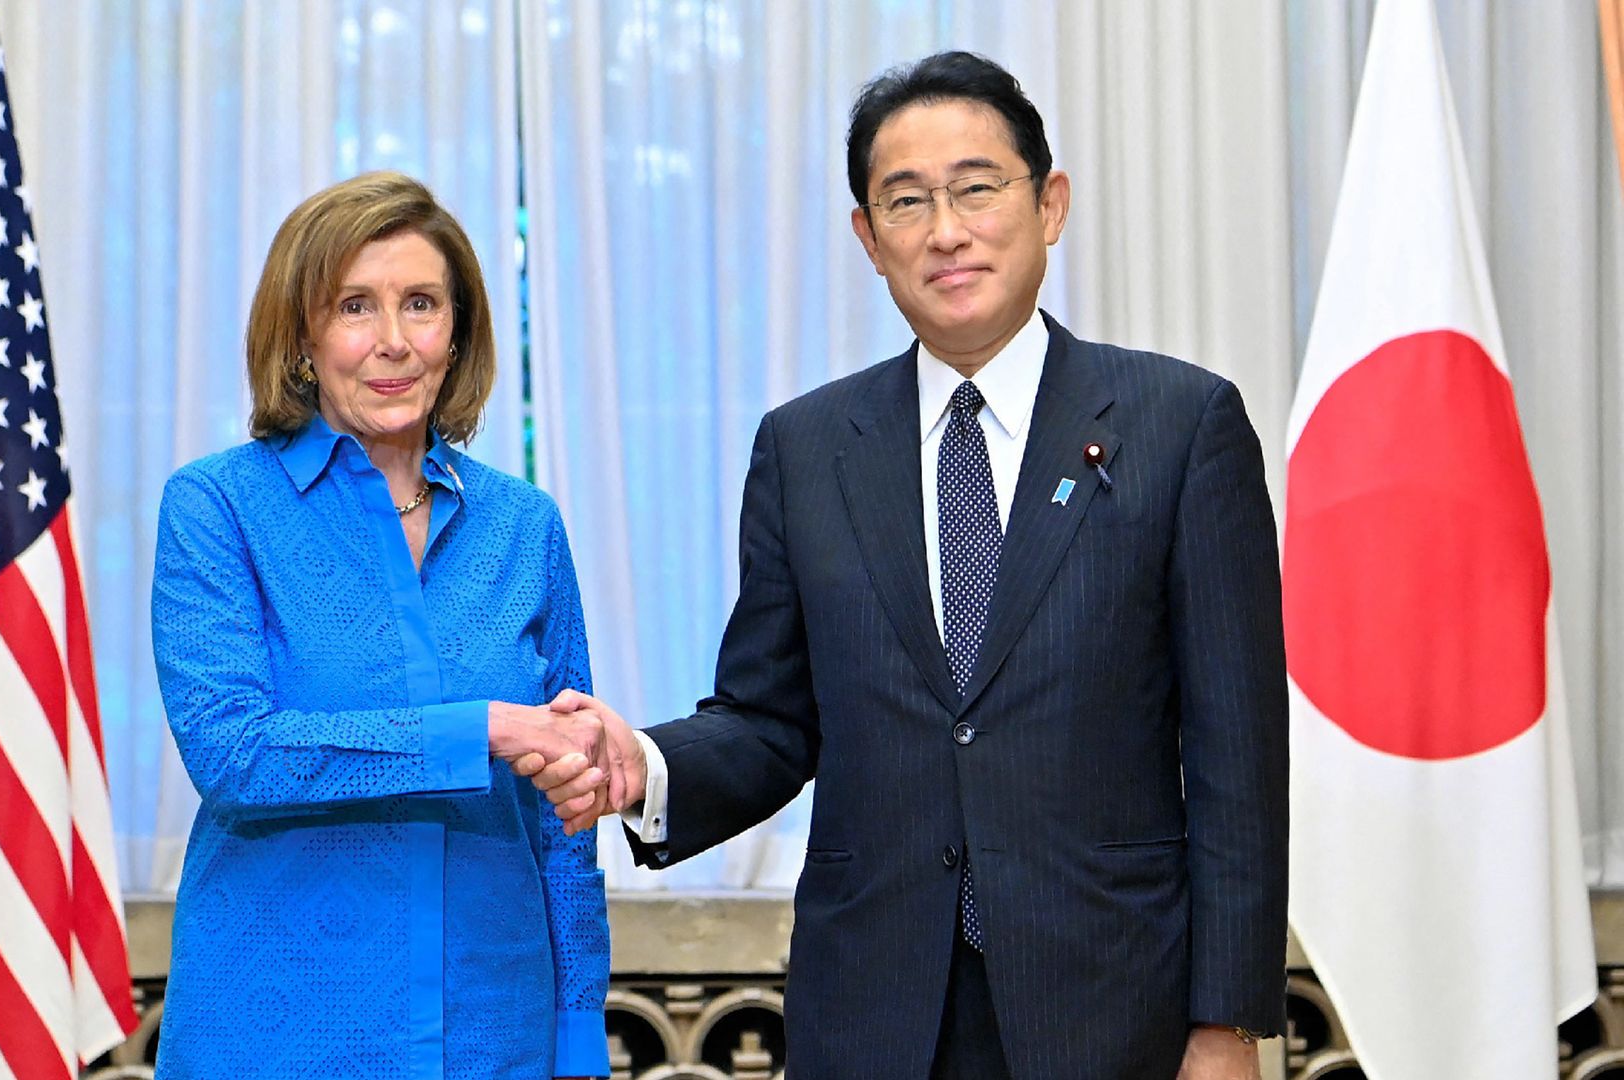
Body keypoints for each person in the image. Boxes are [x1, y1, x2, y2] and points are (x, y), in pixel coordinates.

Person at [532, 52, 1287, 1080]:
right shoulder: (807, 449)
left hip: (1115, 1011)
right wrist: (645, 765)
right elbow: (770, 717)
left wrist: (1227, 1024)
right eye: (907, 201)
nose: (946, 230)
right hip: (876, 1012)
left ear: (1050, 202)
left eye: (978, 188)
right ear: (868, 238)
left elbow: (1237, 757)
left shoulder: (1179, 425)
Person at [150, 171, 612, 1079]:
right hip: (275, 1034)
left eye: (423, 305)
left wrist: (577, 1028)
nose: (394, 342)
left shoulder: (525, 526)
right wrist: (477, 729)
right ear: (303, 336)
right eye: (356, 306)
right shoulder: (216, 508)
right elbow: (234, 754)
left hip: (496, 1031)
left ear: (459, 333)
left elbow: (571, 812)